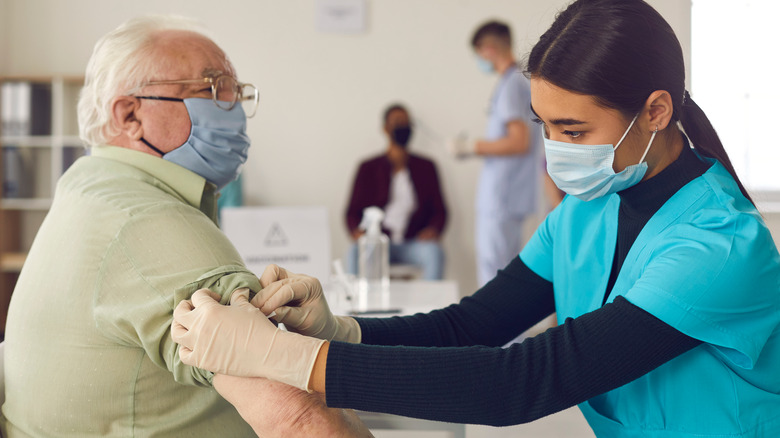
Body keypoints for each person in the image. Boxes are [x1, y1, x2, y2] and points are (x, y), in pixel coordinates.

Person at [171, 0, 780, 436]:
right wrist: (338, 331)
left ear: (654, 111)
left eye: (574, 131)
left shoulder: (718, 247)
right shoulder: (588, 211)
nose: (554, 150)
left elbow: (526, 380)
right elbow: (475, 325)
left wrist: (287, 363)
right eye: (545, 126)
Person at [0, 15, 371, 438]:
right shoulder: (150, 221)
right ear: (130, 114)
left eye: (236, 92)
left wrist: (341, 333)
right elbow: (300, 419)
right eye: (212, 89)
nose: (234, 109)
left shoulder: (88, 184)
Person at [449, 20, 542, 286]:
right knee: (502, 273)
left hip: (503, 197)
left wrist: (471, 147)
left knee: (495, 276)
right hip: (507, 196)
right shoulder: (514, 82)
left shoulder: (512, 83)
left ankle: (496, 330)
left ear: (488, 49)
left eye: (479, 53)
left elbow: (518, 141)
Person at [345, 104, 448, 280]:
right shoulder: (368, 168)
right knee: (355, 251)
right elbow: (352, 212)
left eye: (407, 123)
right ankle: (355, 304)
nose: (404, 127)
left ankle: (432, 306)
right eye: (398, 122)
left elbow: (440, 210)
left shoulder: (427, 167)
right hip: (378, 242)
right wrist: (358, 232)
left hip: (414, 243)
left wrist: (433, 230)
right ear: (385, 128)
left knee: (434, 253)